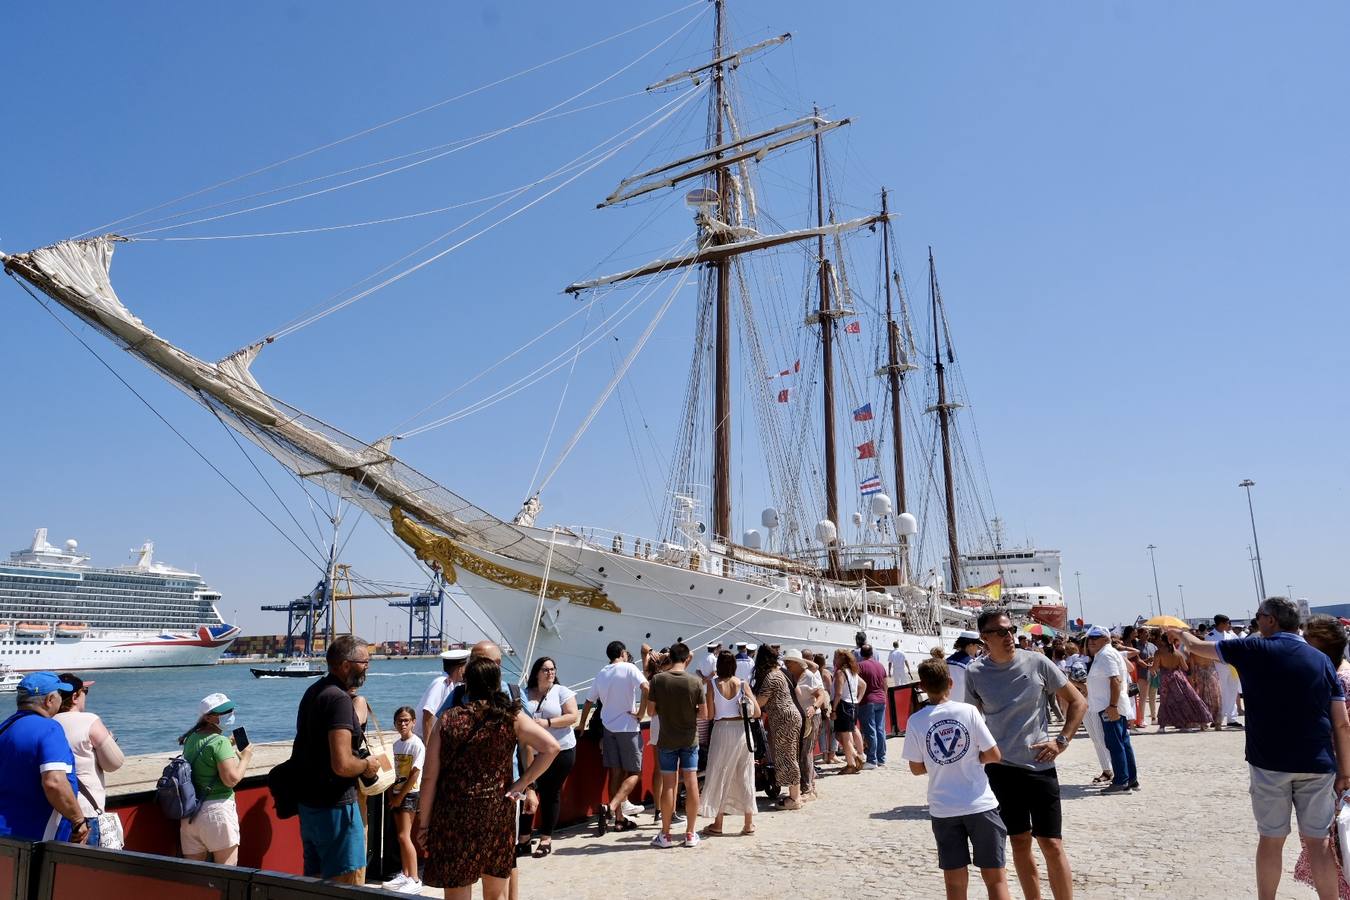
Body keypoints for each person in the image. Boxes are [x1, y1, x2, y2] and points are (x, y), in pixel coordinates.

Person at [1173, 598, 1350, 900]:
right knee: (1318, 843)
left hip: (1270, 761)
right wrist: (1345, 772)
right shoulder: (1321, 660)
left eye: (1258, 617)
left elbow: (1199, 648)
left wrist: (1180, 635)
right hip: (1317, 762)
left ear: (1270, 620)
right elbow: (1341, 723)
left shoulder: (1254, 649)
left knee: (1271, 839)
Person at [966, 612, 1087, 900]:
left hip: (1040, 766)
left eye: (1011, 630)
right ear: (985, 638)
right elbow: (972, 720)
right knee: (1019, 842)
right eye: (1001, 632)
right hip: (1001, 770)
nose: (1009, 637)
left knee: (1052, 843)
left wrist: (1061, 741)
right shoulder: (975, 673)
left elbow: (1078, 701)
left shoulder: (1037, 662)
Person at [418, 656, 559, 900]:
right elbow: (551, 748)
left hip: (453, 815)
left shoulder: (447, 719)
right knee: (496, 896)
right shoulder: (509, 718)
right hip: (495, 813)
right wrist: (521, 784)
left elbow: (429, 777)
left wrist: (424, 824)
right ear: (497, 684)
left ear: (466, 684)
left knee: (457, 894)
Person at [903, 659, 1010, 900]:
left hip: (944, 808)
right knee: (996, 880)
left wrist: (940, 763)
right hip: (979, 803)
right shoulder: (968, 711)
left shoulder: (916, 721)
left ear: (921, 685)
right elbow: (994, 754)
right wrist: (972, 759)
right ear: (950, 683)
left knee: (955, 884)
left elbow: (916, 768)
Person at [293, 634, 380, 884]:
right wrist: (367, 764)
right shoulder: (340, 699)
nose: (367, 667)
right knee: (346, 885)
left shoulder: (314, 692)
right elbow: (342, 764)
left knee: (316, 884)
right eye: (364, 661)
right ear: (345, 665)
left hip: (310, 805)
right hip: (337, 808)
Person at [1294, 616, 1350, 897]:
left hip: (1337, 775)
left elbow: (1341, 727)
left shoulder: (1332, 681)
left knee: (1331, 845)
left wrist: (1344, 773)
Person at [0, 672, 86, 843]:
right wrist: (78, 821)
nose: (62, 699)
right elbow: (54, 782)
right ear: (49, 700)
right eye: (60, 695)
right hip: (34, 837)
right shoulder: (49, 729)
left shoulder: (5, 728)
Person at [577, 640, 649, 833]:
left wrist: (582, 725)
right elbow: (647, 688)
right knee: (635, 772)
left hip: (608, 728)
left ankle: (619, 820)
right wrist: (641, 712)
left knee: (615, 772)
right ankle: (611, 807)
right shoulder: (629, 668)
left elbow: (588, 702)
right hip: (628, 727)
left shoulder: (602, 673)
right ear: (623, 653)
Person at [176, 692, 253, 864]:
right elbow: (231, 779)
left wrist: (226, 743)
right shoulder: (219, 742)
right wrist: (246, 757)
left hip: (191, 815)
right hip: (217, 814)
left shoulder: (191, 738)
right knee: (226, 874)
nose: (229, 715)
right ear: (209, 718)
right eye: (224, 713)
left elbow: (206, 754)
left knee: (195, 878)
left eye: (230, 710)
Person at [647, 642, 707, 848]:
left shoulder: (658, 680)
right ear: (686, 659)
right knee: (691, 783)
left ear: (670, 657)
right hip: (689, 739)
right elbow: (705, 714)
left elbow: (651, 712)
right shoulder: (695, 681)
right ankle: (690, 833)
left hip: (667, 739)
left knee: (669, 785)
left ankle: (665, 834)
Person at [54, 674, 124, 847]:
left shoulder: (46, 723)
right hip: (85, 811)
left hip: (53, 811)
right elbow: (114, 763)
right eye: (85, 691)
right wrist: (109, 741)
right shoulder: (89, 720)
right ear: (76, 696)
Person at [522, 656, 578, 857]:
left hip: (560, 750)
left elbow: (572, 716)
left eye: (553, 669)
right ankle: (524, 837)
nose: (550, 673)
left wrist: (547, 723)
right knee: (527, 791)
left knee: (550, 793)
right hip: (532, 751)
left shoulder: (562, 691)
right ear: (537, 672)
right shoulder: (525, 694)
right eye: (546, 670)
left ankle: (546, 838)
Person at [699, 651, 759, 836]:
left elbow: (709, 715)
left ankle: (718, 823)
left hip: (721, 730)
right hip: (741, 730)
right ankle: (748, 823)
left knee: (720, 774)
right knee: (745, 774)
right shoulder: (742, 684)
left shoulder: (712, 684)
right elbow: (756, 712)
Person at [1083, 627, 1138, 794]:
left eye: (1096, 637)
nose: (1091, 640)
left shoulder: (1106, 655)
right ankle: (1131, 779)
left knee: (1115, 744)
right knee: (1122, 743)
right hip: (1111, 705)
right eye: (1090, 638)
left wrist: (1112, 706)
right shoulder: (1106, 653)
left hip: (1110, 707)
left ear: (1106, 639)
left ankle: (1121, 781)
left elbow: (1115, 680)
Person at [753, 644, 802, 808]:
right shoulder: (779, 673)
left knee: (787, 757)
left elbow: (760, 702)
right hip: (790, 717)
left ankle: (794, 799)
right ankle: (795, 795)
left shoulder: (771, 677)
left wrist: (747, 696)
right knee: (791, 756)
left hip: (784, 719)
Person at [381, 706, 424, 894]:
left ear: (414, 722)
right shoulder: (396, 745)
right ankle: (405, 874)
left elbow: (415, 774)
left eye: (407, 720)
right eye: (400, 721)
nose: (403, 724)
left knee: (404, 836)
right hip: (397, 794)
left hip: (410, 794)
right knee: (400, 837)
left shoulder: (417, 744)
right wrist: (391, 794)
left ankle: (414, 878)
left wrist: (400, 797)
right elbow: (392, 771)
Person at [784, 649, 825, 800]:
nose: (786, 664)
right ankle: (807, 785)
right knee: (801, 752)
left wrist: (814, 708)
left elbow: (821, 695)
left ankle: (808, 788)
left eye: (789, 662)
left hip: (810, 717)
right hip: (799, 718)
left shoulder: (809, 676)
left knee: (806, 752)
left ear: (797, 663)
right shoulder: (791, 676)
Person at [1153, 630, 1212, 733]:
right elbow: (1185, 667)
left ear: (1162, 641)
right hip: (1179, 677)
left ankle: (1162, 726)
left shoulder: (1159, 652)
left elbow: (1155, 667)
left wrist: (1149, 667)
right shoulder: (1178, 653)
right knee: (1185, 700)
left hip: (1165, 679)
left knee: (1165, 701)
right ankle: (1186, 724)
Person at [415, 648, 470, 739]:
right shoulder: (441, 683)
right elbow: (428, 715)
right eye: (466, 668)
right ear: (460, 669)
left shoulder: (453, 684)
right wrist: (427, 747)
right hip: (423, 737)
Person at [832, 649, 866, 773]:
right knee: (846, 734)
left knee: (844, 736)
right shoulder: (853, 672)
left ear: (841, 659)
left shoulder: (841, 673)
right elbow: (863, 685)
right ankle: (854, 758)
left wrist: (834, 709)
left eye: (835, 657)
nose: (834, 660)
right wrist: (858, 699)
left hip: (843, 705)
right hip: (853, 705)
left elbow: (838, 693)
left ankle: (853, 760)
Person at [1206, 614, 1243, 728]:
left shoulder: (1231, 635)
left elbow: (1238, 648)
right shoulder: (1210, 636)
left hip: (1231, 667)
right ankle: (1219, 718)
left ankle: (1232, 718)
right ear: (1221, 623)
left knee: (1232, 691)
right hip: (1218, 667)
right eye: (1227, 623)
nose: (1229, 625)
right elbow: (1209, 652)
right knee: (1221, 693)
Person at [857, 644, 889, 769]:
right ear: (872, 653)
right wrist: (884, 697)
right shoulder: (880, 665)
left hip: (867, 700)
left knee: (870, 730)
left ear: (861, 654)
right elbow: (885, 684)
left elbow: (858, 685)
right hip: (881, 699)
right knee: (880, 729)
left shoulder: (860, 666)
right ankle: (881, 758)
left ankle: (872, 759)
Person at [946, 633, 984, 704]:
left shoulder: (946, 661)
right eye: (977, 646)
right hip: (966, 706)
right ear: (970, 645)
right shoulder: (972, 664)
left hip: (948, 704)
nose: (977, 649)